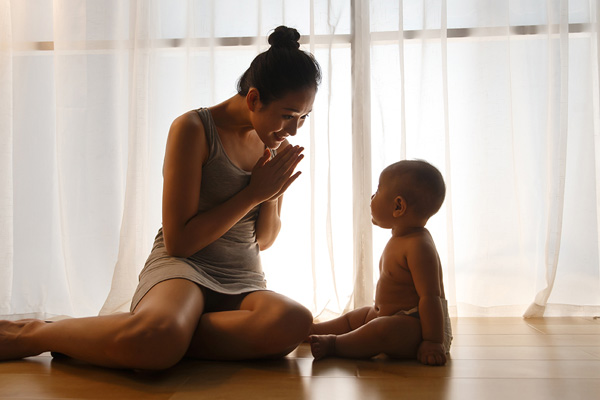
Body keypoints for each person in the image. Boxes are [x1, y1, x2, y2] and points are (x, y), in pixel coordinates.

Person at [0, 26, 321, 370]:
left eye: (303, 117)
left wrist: (270, 195)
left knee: (294, 321)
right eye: (288, 116)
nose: (293, 130)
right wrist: (253, 193)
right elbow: (179, 242)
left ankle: (157, 335)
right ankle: (35, 334)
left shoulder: (275, 144)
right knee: (157, 341)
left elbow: (265, 240)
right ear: (254, 99)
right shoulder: (194, 129)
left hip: (243, 280)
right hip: (183, 270)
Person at [309, 160, 452, 366]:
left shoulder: (419, 246)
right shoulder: (401, 237)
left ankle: (335, 344)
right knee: (359, 316)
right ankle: (314, 330)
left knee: (381, 330)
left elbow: (431, 298)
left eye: (377, 191)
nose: (372, 197)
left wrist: (432, 341)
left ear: (398, 206)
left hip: (420, 328)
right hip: (391, 316)